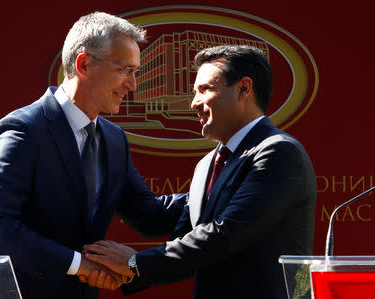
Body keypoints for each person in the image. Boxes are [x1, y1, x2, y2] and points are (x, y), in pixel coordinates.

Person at [0, 12, 186, 299]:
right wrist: (77, 265)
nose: (133, 85)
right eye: (124, 70)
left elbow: (150, 216)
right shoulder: (24, 129)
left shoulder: (114, 139)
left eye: (135, 72)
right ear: (84, 64)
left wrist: (218, 186)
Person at [83, 45, 317, 299]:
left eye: (205, 90)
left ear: (244, 89)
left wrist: (134, 264)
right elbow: (177, 237)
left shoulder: (279, 153)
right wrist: (123, 270)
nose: (194, 103)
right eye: (194, 92)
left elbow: (225, 235)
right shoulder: (208, 164)